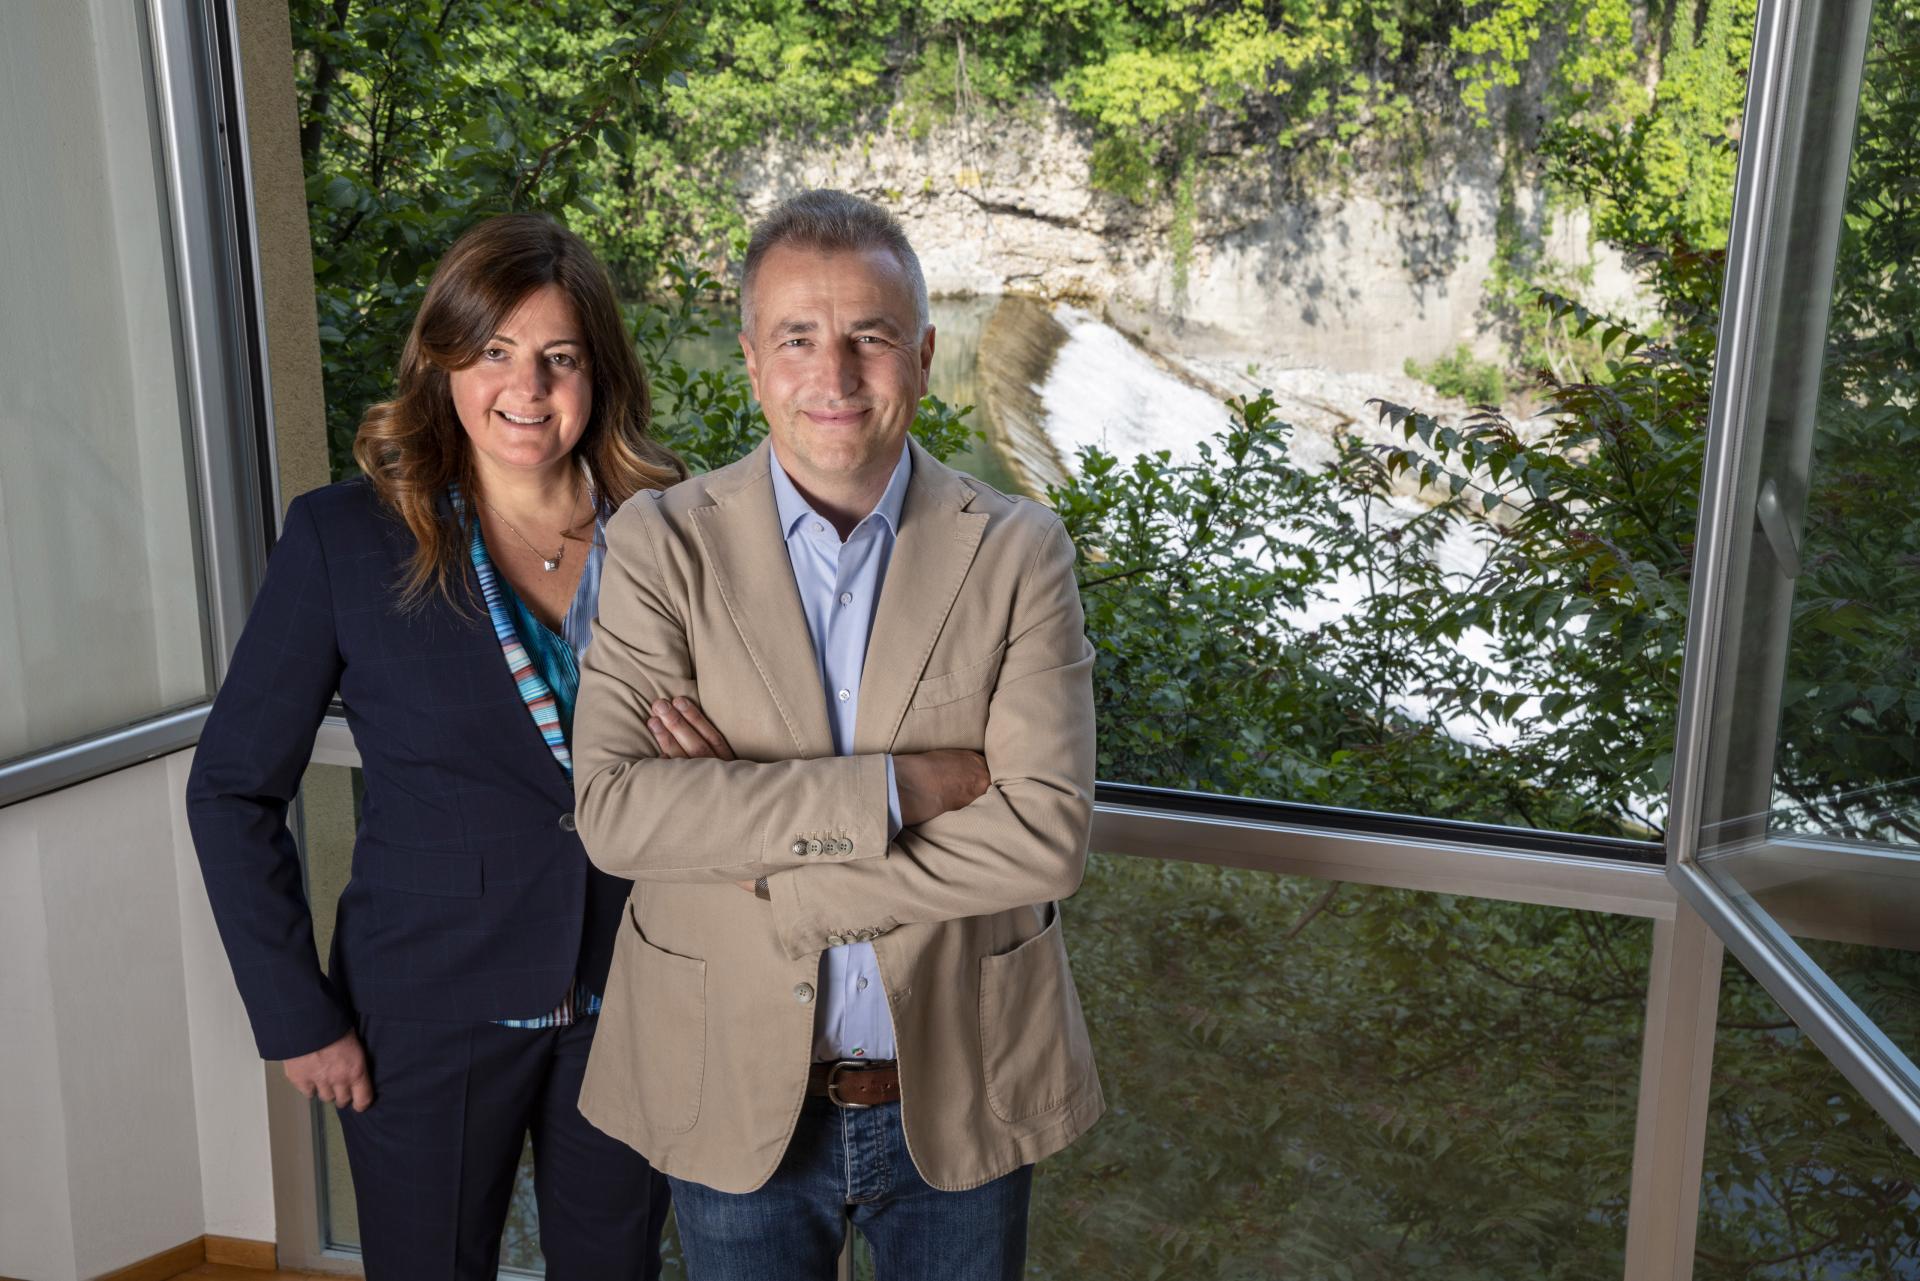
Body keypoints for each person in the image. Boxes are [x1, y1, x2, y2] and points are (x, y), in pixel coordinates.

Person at [572, 189, 1103, 1281]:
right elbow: (620, 816)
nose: (836, 376)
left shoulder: (1017, 551)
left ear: (922, 354)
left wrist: (764, 856)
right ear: (752, 361)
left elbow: (1046, 837)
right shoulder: (658, 544)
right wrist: (905, 789)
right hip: (724, 1077)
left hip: (961, 1076)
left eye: (869, 338)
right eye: (798, 340)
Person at [186, 213, 679, 1281]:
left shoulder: (673, 527)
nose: (527, 386)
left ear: (599, 373)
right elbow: (229, 790)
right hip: (423, 1014)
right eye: (493, 351)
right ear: (441, 362)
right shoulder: (343, 540)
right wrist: (295, 1016)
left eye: (559, 356)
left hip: (638, 996)